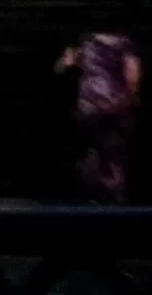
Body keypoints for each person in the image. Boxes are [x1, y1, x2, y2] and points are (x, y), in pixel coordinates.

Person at [56, 30, 142, 203]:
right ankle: (109, 192)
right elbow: (132, 73)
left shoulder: (89, 43)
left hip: (92, 104)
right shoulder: (122, 44)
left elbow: (64, 65)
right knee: (111, 150)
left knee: (97, 148)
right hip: (112, 104)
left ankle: (98, 191)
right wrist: (131, 97)